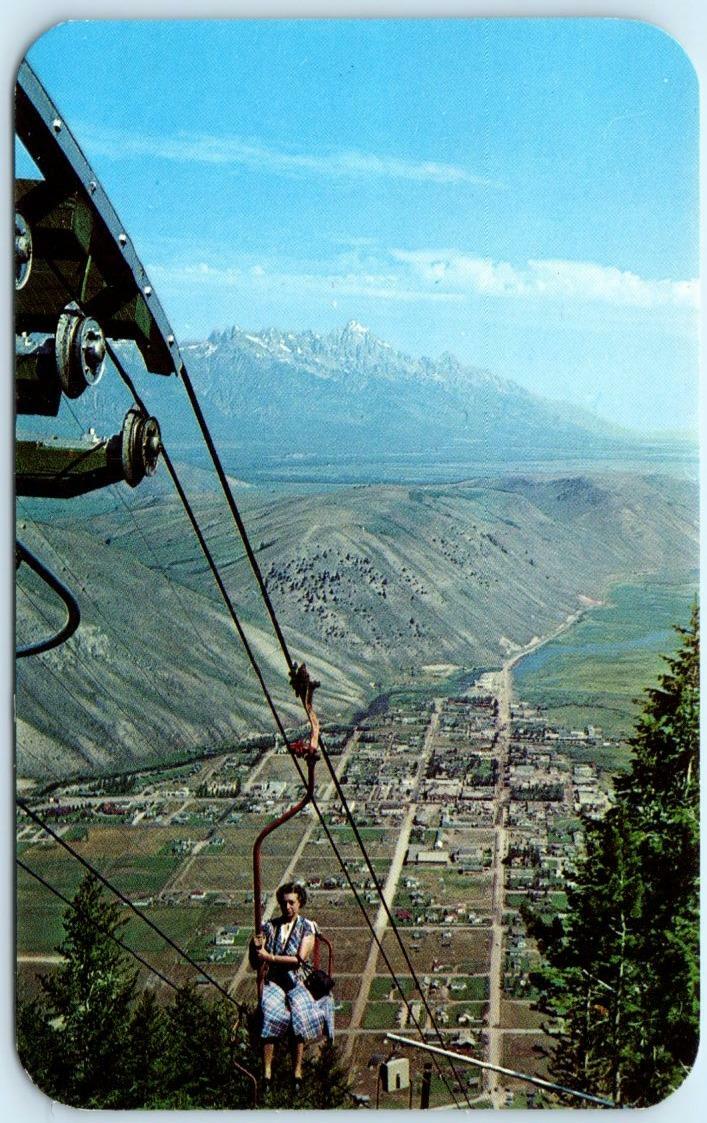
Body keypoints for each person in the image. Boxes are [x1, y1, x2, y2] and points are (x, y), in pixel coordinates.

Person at [252, 882, 334, 1091]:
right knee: (270, 1012)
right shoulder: (270, 927)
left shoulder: (306, 927)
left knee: (300, 1015)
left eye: (291, 903)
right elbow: (256, 962)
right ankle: (267, 1071)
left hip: (295, 979)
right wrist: (256, 949)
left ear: (300, 904)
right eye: (284, 903)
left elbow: (299, 958)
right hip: (275, 980)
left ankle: (297, 1069)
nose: (287, 907)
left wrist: (269, 956)